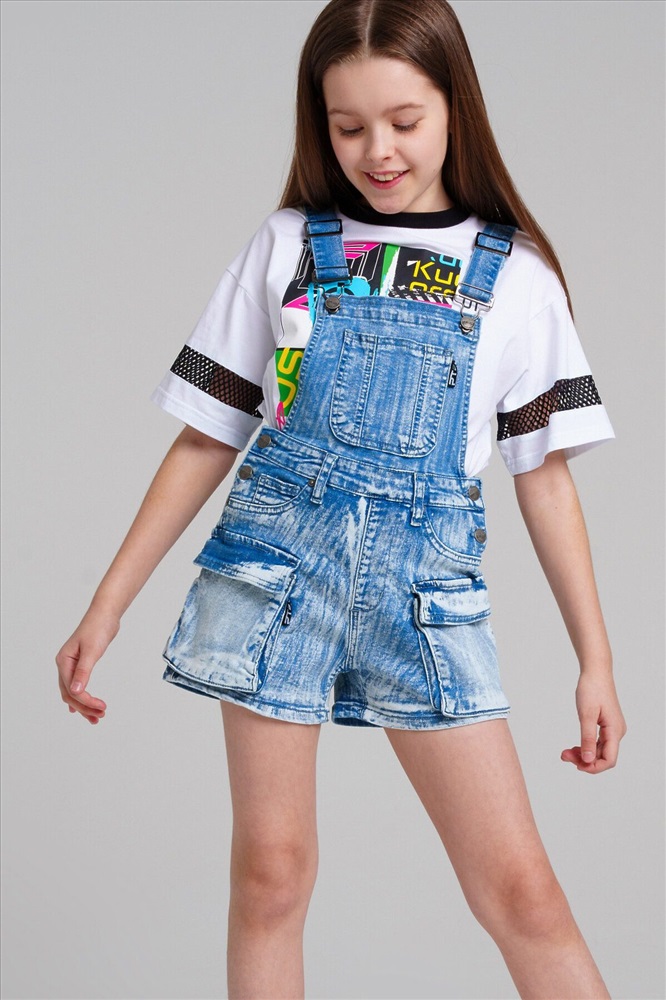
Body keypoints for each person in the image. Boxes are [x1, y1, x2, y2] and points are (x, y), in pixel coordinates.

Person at [56, 1, 627, 996]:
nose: (378, 151)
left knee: (523, 895)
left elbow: (543, 475)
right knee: (270, 878)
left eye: (404, 121)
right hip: (275, 572)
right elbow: (209, 434)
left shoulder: (518, 278)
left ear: (456, 108)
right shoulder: (286, 245)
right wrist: (107, 605)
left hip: (424, 595)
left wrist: (596, 660)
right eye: (348, 125)